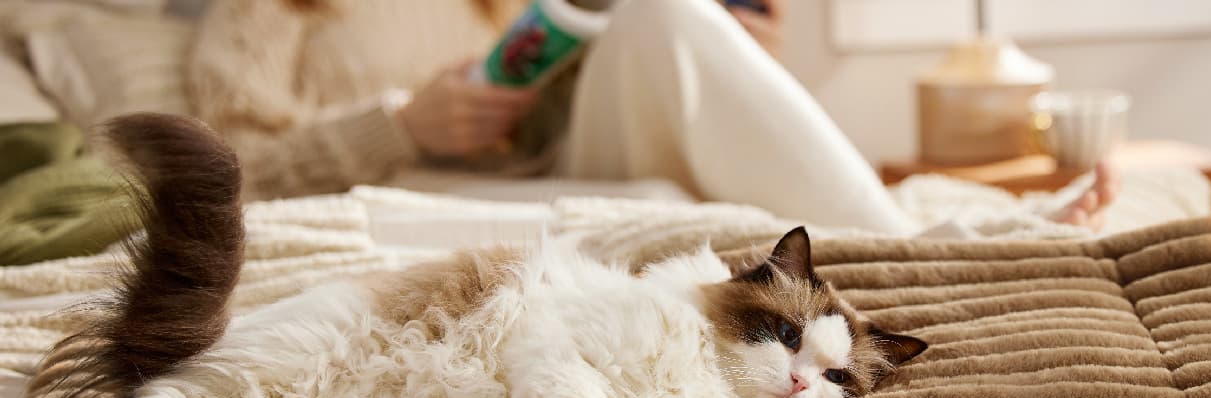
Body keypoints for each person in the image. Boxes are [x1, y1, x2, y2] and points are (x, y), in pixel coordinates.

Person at [188, 0, 1114, 235]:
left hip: (541, 164)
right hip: (403, 185)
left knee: (664, 10)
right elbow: (226, 169)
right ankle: (916, 239)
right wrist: (401, 123)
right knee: (658, 197)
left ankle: (902, 231)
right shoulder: (272, 12)